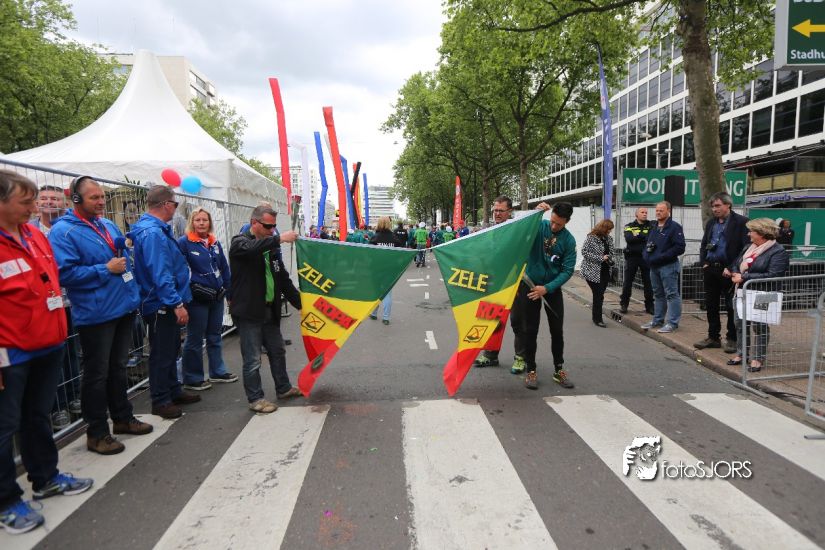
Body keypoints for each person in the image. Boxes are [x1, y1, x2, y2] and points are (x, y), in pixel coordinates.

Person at [0, 170, 93, 535]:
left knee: (37, 416)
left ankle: (46, 477)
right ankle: (6, 500)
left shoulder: (35, 234)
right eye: (25, 202)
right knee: (4, 427)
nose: (33, 208)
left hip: (47, 344)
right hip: (10, 354)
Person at [49, 176, 152, 456]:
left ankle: (122, 418)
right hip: (96, 314)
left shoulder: (105, 223)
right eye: (94, 197)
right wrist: (105, 269)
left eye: (102, 196)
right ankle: (96, 433)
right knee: (96, 374)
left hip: (122, 306)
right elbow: (64, 274)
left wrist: (122, 242)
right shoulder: (63, 232)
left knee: (118, 367)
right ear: (76, 199)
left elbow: (113, 248)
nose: (101, 202)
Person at [130, 185, 200, 419]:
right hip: (161, 303)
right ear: (166, 205)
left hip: (164, 300)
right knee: (162, 352)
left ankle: (172, 390)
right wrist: (175, 303)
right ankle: (160, 400)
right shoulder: (153, 233)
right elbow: (161, 273)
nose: (176, 209)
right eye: (175, 204)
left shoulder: (156, 230)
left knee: (170, 349)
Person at [229, 206, 302, 414]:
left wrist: (301, 304)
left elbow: (283, 279)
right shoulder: (240, 242)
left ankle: (283, 387)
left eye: (274, 226)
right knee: (252, 359)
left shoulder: (271, 249)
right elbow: (251, 249)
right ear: (254, 223)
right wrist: (278, 239)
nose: (272, 230)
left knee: (277, 350)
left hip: (269, 310)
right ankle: (255, 399)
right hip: (249, 312)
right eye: (268, 226)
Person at [510, 202, 577, 390]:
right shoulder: (539, 226)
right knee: (530, 330)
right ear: (551, 214)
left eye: (559, 224)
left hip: (551, 290)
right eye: (553, 221)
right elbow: (518, 228)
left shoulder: (569, 241)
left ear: (566, 221)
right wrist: (535, 213)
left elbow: (567, 270)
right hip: (530, 286)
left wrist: (547, 288)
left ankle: (559, 369)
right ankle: (531, 369)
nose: (554, 226)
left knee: (557, 331)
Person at [177, 207, 236, 391]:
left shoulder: (214, 242)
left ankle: (217, 371)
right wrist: (185, 296)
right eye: (198, 220)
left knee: (214, 335)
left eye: (205, 220)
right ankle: (192, 377)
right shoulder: (184, 243)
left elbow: (224, 268)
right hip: (197, 299)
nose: (202, 223)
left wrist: (229, 292)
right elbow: (179, 271)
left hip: (217, 297)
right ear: (192, 222)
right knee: (195, 338)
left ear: (209, 222)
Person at [726, 219, 790, 372]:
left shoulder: (778, 251)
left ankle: (758, 358)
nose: (748, 234)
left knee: (759, 326)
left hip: (764, 293)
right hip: (742, 291)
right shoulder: (749, 247)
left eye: (751, 231)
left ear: (762, 233)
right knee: (740, 324)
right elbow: (737, 262)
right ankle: (742, 354)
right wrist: (733, 271)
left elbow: (774, 274)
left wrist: (744, 277)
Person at [694, 192, 750, 353]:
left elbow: (745, 249)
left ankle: (732, 338)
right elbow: (704, 244)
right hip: (711, 268)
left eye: (718, 205)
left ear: (728, 205)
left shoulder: (741, 222)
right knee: (711, 305)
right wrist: (704, 262)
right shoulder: (711, 222)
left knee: (731, 306)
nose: (714, 209)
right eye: (712, 206)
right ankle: (713, 337)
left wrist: (732, 268)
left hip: (729, 271)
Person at [473, 195, 513, 368]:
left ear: (509, 212)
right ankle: (490, 355)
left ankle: (521, 358)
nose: (497, 213)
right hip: (493, 283)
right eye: (495, 210)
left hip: (513, 283)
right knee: (491, 320)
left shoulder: (515, 229)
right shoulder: (488, 231)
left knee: (520, 323)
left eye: (500, 210)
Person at [642, 201, 686, 334]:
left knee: (672, 294)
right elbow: (648, 244)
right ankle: (657, 320)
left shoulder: (675, 227)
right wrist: (646, 255)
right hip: (654, 266)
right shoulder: (654, 226)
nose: (658, 212)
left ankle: (672, 323)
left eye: (661, 210)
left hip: (668, 266)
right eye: (657, 210)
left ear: (668, 211)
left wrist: (662, 256)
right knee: (658, 294)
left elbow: (680, 247)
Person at [580, 219, 615, 327]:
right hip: (592, 271)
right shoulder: (591, 238)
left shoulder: (609, 238)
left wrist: (610, 257)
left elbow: (612, 251)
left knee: (600, 295)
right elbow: (584, 252)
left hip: (605, 270)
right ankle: (598, 319)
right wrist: (601, 258)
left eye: (610, 229)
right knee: (598, 294)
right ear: (603, 228)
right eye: (608, 229)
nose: (610, 231)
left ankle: (596, 317)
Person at [619, 207, 654, 314]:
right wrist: (644, 237)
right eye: (642, 212)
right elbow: (629, 239)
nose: (645, 214)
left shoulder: (651, 225)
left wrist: (638, 235)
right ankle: (624, 304)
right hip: (632, 257)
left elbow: (651, 238)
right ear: (636, 215)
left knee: (648, 283)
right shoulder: (629, 226)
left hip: (646, 257)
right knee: (627, 282)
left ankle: (650, 306)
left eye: (646, 212)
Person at [369, 216, 401, 325]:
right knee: (387, 294)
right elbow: (400, 253)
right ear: (389, 224)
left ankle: (374, 313)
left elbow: (369, 255)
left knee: (376, 293)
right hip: (390, 270)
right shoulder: (394, 238)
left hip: (376, 270)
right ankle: (386, 317)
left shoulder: (374, 238)